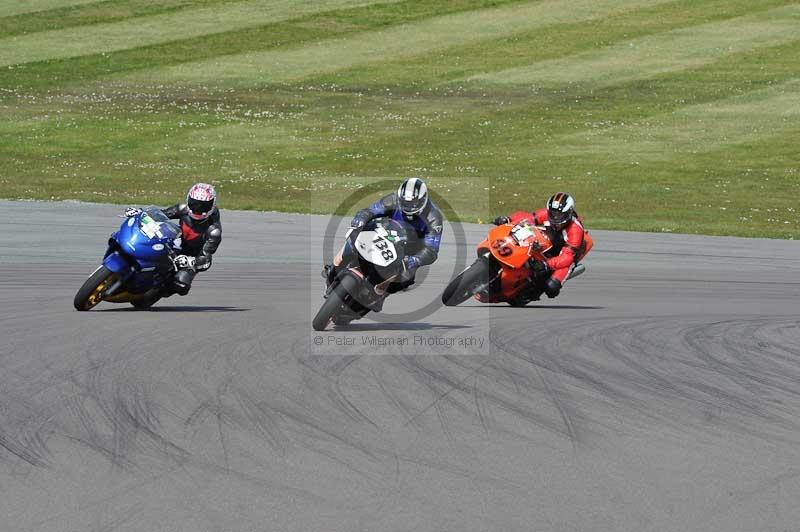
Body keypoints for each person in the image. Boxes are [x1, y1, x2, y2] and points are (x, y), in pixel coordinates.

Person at [323, 177, 443, 299]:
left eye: (413, 203)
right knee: (353, 239)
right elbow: (370, 211)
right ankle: (333, 271)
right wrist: (360, 219)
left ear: (424, 200)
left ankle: (378, 296)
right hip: (386, 234)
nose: (409, 206)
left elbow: (431, 249)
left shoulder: (434, 217)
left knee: (406, 279)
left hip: (409, 250)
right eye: (405, 202)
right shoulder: (393, 199)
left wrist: (414, 260)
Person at [126, 183, 222, 296]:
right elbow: (161, 214)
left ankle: (156, 293)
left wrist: (191, 261)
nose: (198, 209)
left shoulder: (214, 231)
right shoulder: (183, 209)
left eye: (203, 206)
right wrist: (140, 212)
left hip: (190, 258)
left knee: (182, 284)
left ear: (212, 205)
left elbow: (206, 260)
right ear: (188, 200)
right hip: (176, 244)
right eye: (194, 204)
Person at [492, 192, 591, 299]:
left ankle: (533, 291)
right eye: (553, 213)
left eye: (559, 215)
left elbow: (567, 257)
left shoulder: (575, 230)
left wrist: (547, 264)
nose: (555, 218)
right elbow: (528, 219)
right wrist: (509, 220)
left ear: (569, 213)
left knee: (551, 288)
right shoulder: (547, 214)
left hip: (566, 255)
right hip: (549, 243)